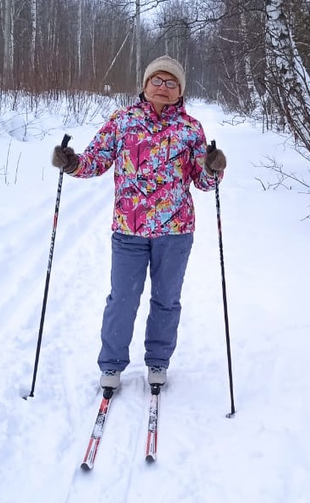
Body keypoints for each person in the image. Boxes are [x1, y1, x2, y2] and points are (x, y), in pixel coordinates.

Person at [52, 55, 227, 391]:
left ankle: (158, 361)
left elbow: (203, 182)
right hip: (128, 230)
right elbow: (96, 160)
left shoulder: (190, 129)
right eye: (156, 80)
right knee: (122, 299)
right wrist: (72, 163)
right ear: (145, 85)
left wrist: (212, 168)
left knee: (166, 300)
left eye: (171, 82)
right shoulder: (123, 121)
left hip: (175, 231)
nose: (163, 87)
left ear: (180, 91)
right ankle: (111, 365)